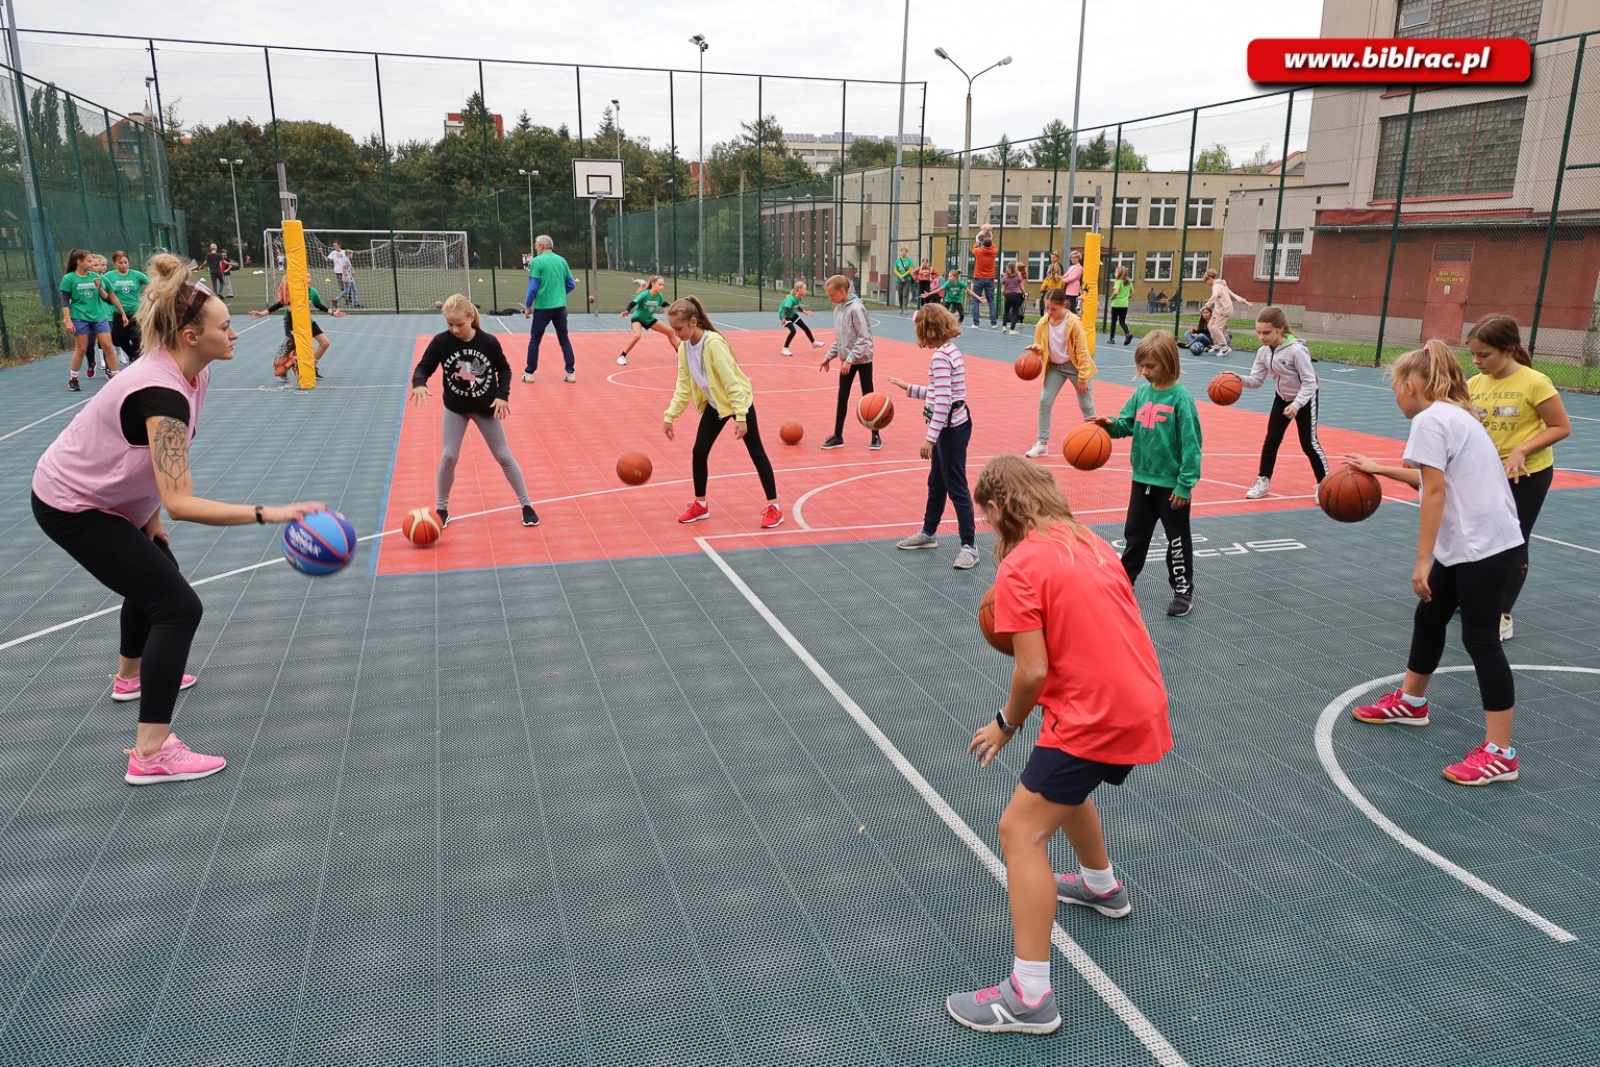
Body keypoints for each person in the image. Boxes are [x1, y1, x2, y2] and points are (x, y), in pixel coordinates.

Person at [32, 253, 324, 785]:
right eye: (224, 326)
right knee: (178, 607)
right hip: (71, 504)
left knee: (154, 571)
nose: (234, 333)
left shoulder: (195, 373)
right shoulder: (162, 393)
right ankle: (150, 752)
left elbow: (140, 462)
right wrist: (271, 512)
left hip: (108, 497)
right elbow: (182, 501)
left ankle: (129, 678)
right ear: (190, 336)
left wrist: (144, 519)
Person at [946, 455, 1172, 1035]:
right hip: (1134, 697)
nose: (990, 527)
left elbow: (1031, 673)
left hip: (1092, 711)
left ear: (998, 507)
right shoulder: (1087, 540)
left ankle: (1029, 995)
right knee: (1063, 788)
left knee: (1019, 830)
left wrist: (1006, 722)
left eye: (987, 517)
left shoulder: (1022, 565)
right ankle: (1102, 886)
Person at [1346, 340, 1528, 785]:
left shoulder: (1429, 419)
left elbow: (1436, 492)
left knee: (1482, 641)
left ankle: (1501, 753)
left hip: (1482, 547)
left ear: (1411, 386)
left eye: (1395, 390)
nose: (1396, 398)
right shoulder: (1454, 414)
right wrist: (1383, 469)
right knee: (1429, 617)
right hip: (1476, 542)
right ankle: (1412, 703)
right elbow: (1434, 478)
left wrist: (1422, 560)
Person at [1465, 314, 1570, 641]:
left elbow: (1560, 427)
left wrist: (1521, 449)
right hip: (1486, 473)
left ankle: (1502, 613)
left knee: (1512, 539)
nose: (1477, 361)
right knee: (1477, 536)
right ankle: (1471, 596)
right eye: (1473, 354)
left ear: (1509, 350)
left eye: (1484, 355)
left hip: (1527, 473)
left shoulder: (1535, 382)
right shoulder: (1474, 383)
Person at [410, 294, 539, 529]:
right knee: (449, 456)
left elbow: (505, 370)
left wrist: (502, 395)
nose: (454, 329)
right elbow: (424, 366)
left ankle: (526, 504)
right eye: (449, 324)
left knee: (503, 455)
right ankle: (441, 508)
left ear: (471, 317)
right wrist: (419, 382)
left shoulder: (488, 342)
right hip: (455, 409)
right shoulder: (441, 342)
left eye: (459, 324)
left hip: (485, 409)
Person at [1096, 331, 1202, 617]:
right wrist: (1110, 424)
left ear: (1168, 363)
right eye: (1142, 365)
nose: (1144, 371)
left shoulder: (1182, 400)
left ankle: (1182, 591)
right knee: (1135, 536)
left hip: (1170, 486)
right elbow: (1126, 424)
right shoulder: (1142, 393)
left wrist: (1184, 485)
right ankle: (1124, 583)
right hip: (1142, 479)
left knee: (1177, 539)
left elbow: (1192, 446)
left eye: (1150, 366)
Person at [662, 297, 783, 530]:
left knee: (756, 452)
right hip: (716, 405)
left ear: (694, 322)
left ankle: (775, 508)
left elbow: (732, 382)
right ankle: (701, 504)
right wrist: (670, 415)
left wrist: (740, 416)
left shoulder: (714, 343)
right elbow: (683, 385)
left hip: (738, 402)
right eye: (674, 329)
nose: (676, 334)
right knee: (699, 451)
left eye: (679, 329)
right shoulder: (685, 348)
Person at [887, 304, 978, 569]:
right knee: (937, 482)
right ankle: (928, 533)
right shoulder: (951, 350)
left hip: (949, 430)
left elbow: (944, 402)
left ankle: (969, 545)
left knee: (956, 486)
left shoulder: (940, 357)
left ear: (928, 330)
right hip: (955, 424)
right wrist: (910, 388)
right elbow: (943, 392)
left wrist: (930, 437)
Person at [1241, 307, 1325, 500]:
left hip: (1305, 398)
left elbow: (1310, 382)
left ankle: (1324, 483)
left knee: (1309, 443)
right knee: (1272, 439)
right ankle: (1263, 480)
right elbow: (1256, 381)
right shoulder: (1263, 352)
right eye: (1258, 332)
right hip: (1282, 397)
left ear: (1280, 329)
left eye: (1267, 332)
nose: (1262, 337)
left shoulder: (1296, 350)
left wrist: (1297, 405)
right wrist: (1238, 379)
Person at [1023, 289, 1096, 459]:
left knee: (1086, 404)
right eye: (1046, 308)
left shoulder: (1074, 323)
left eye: (1053, 309)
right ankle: (1042, 444)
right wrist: (1037, 349)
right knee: (1044, 401)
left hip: (1075, 367)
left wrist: (1083, 378)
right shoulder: (1043, 323)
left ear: (1064, 305)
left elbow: (1083, 352)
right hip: (1055, 367)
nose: (1049, 312)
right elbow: (1041, 345)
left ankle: (1094, 439)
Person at [819, 275, 878, 451]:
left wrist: (850, 359)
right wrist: (829, 355)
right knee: (842, 396)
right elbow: (840, 338)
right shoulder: (838, 310)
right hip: (847, 361)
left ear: (842, 291)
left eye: (832, 295)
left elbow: (864, 339)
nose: (830, 298)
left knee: (868, 398)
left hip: (862, 360)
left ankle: (875, 435)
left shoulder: (857, 309)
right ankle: (838, 436)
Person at [249, 279, 346, 379]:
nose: (309, 278)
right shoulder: (293, 291)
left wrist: (333, 313)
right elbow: (279, 304)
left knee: (325, 343)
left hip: (307, 321)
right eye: (306, 276)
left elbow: (319, 305)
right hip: (291, 321)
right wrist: (262, 313)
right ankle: (283, 368)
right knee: (295, 349)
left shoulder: (313, 292)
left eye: (309, 276)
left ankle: (311, 367)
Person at [60, 248, 124, 391]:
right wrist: (68, 320)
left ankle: (115, 377)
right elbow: (65, 302)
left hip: (99, 316)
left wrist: (100, 288)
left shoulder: (97, 277)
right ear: (79, 262)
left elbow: (107, 299)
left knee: (108, 346)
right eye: (89, 261)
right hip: (79, 317)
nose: (92, 263)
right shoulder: (69, 278)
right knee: (81, 348)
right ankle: (73, 378)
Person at [522, 235, 578, 383]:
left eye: (536, 245)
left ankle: (529, 373)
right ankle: (570, 372)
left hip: (543, 308)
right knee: (564, 339)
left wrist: (528, 305)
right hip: (560, 307)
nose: (535, 247)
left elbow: (533, 287)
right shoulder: (561, 261)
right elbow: (572, 284)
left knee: (534, 340)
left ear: (541, 246)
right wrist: (559, 294)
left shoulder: (537, 262)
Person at [104, 251, 150, 365]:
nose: (124, 265)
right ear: (115, 264)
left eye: (125, 262)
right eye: (120, 263)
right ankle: (133, 356)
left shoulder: (136, 275)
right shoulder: (109, 276)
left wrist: (146, 298)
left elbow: (152, 284)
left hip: (136, 312)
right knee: (120, 339)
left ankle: (137, 361)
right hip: (119, 313)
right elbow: (101, 290)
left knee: (136, 339)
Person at [617, 276, 674, 365]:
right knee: (637, 335)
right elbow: (632, 303)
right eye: (660, 284)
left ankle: (681, 354)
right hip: (637, 319)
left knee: (670, 332)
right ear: (653, 284)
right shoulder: (645, 294)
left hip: (649, 319)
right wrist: (627, 311)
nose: (662, 287)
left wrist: (674, 306)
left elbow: (663, 303)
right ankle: (622, 356)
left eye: (663, 285)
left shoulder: (659, 296)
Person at [1201, 269, 1251, 355]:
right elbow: (1233, 294)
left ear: (1210, 278)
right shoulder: (1222, 284)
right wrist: (1245, 302)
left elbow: (1215, 295)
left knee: (1216, 328)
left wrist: (1206, 306)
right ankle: (1217, 345)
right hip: (1218, 310)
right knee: (1210, 326)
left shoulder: (1216, 285)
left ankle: (1225, 347)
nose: (1207, 283)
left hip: (1224, 310)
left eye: (1206, 281)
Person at [778, 281, 823, 356]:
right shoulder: (790, 299)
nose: (806, 291)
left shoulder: (799, 298)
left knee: (804, 327)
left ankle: (813, 342)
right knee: (793, 331)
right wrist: (783, 319)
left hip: (791, 314)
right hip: (784, 316)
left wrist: (805, 312)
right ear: (799, 289)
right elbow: (784, 311)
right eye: (805, 289)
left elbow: (797, 307)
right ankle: (785, 349)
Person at [969, 228, 999, 328]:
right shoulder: (994, 251)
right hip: (990, 278)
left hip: (979, 278)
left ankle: (976, 323)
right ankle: (993, 323)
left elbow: (973, 248)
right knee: (991, 300)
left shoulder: (978, 251)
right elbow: (993, 245)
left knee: (975, 300)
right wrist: (989, 236)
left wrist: (978, 239)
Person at [327, 241, 359, 309]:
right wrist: (344, 277)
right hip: (347, 277)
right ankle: (335, 299)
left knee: (354, 289)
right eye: (351, 254)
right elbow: (343, 268)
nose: (352, 255)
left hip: (350, 276)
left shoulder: (348, 260)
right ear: (348, 254)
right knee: (346, 290)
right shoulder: (346, 260)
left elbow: (349, 267)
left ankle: (356, 303)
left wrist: (352, 270)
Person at [1107, 265, 1133, 345]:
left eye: (1116, 272)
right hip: (1125, 305)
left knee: (1113, 321)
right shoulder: (1129, 282)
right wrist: (1125, 297)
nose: (1115, 274)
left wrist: (1111, 297)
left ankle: (1111, 338)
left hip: (1116, 304)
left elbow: (1116, 292)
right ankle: (1127, 334)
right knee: (1122, 321)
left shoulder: (1118, 282)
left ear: (1119, 273)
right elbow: (1133, 293)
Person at [999, 262, 1027, 335]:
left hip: (1008, 295)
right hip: (1016, 295)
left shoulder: (1004, 278)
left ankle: (1004, 326)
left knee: (1006, 311)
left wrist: (1004, 295)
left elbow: (1003, 289)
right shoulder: (1018, 276)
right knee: (1015, 312)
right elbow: (1021, 287)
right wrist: (1025, 293)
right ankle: (1012, 329)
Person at [893, 245, 917, 314]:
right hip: (899, 280)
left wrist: (903, 275)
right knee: (900, 294)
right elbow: (895, 270)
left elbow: (910, 270)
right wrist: (900, 276)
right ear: (901, 252)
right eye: (902, 251)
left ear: (906, 252)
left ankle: (904, 309)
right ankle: (900, 308)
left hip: (907, 280)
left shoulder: (909, 260)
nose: (903, 253)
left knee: (905, 294)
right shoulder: (897, 261)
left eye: (905, 251)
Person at [1062, 250, 1084, 315]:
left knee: (1072, 306)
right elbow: (1065, 275)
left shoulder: (1079, 268)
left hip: (1073, 289)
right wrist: (1060, 278)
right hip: (1068, 288)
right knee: (1067, 305)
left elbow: (1072, 278)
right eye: (1071, 257)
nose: (1072, 259)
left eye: (1073, 257)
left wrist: (1063, 280)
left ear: (1078, 258)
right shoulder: (1071, 267)